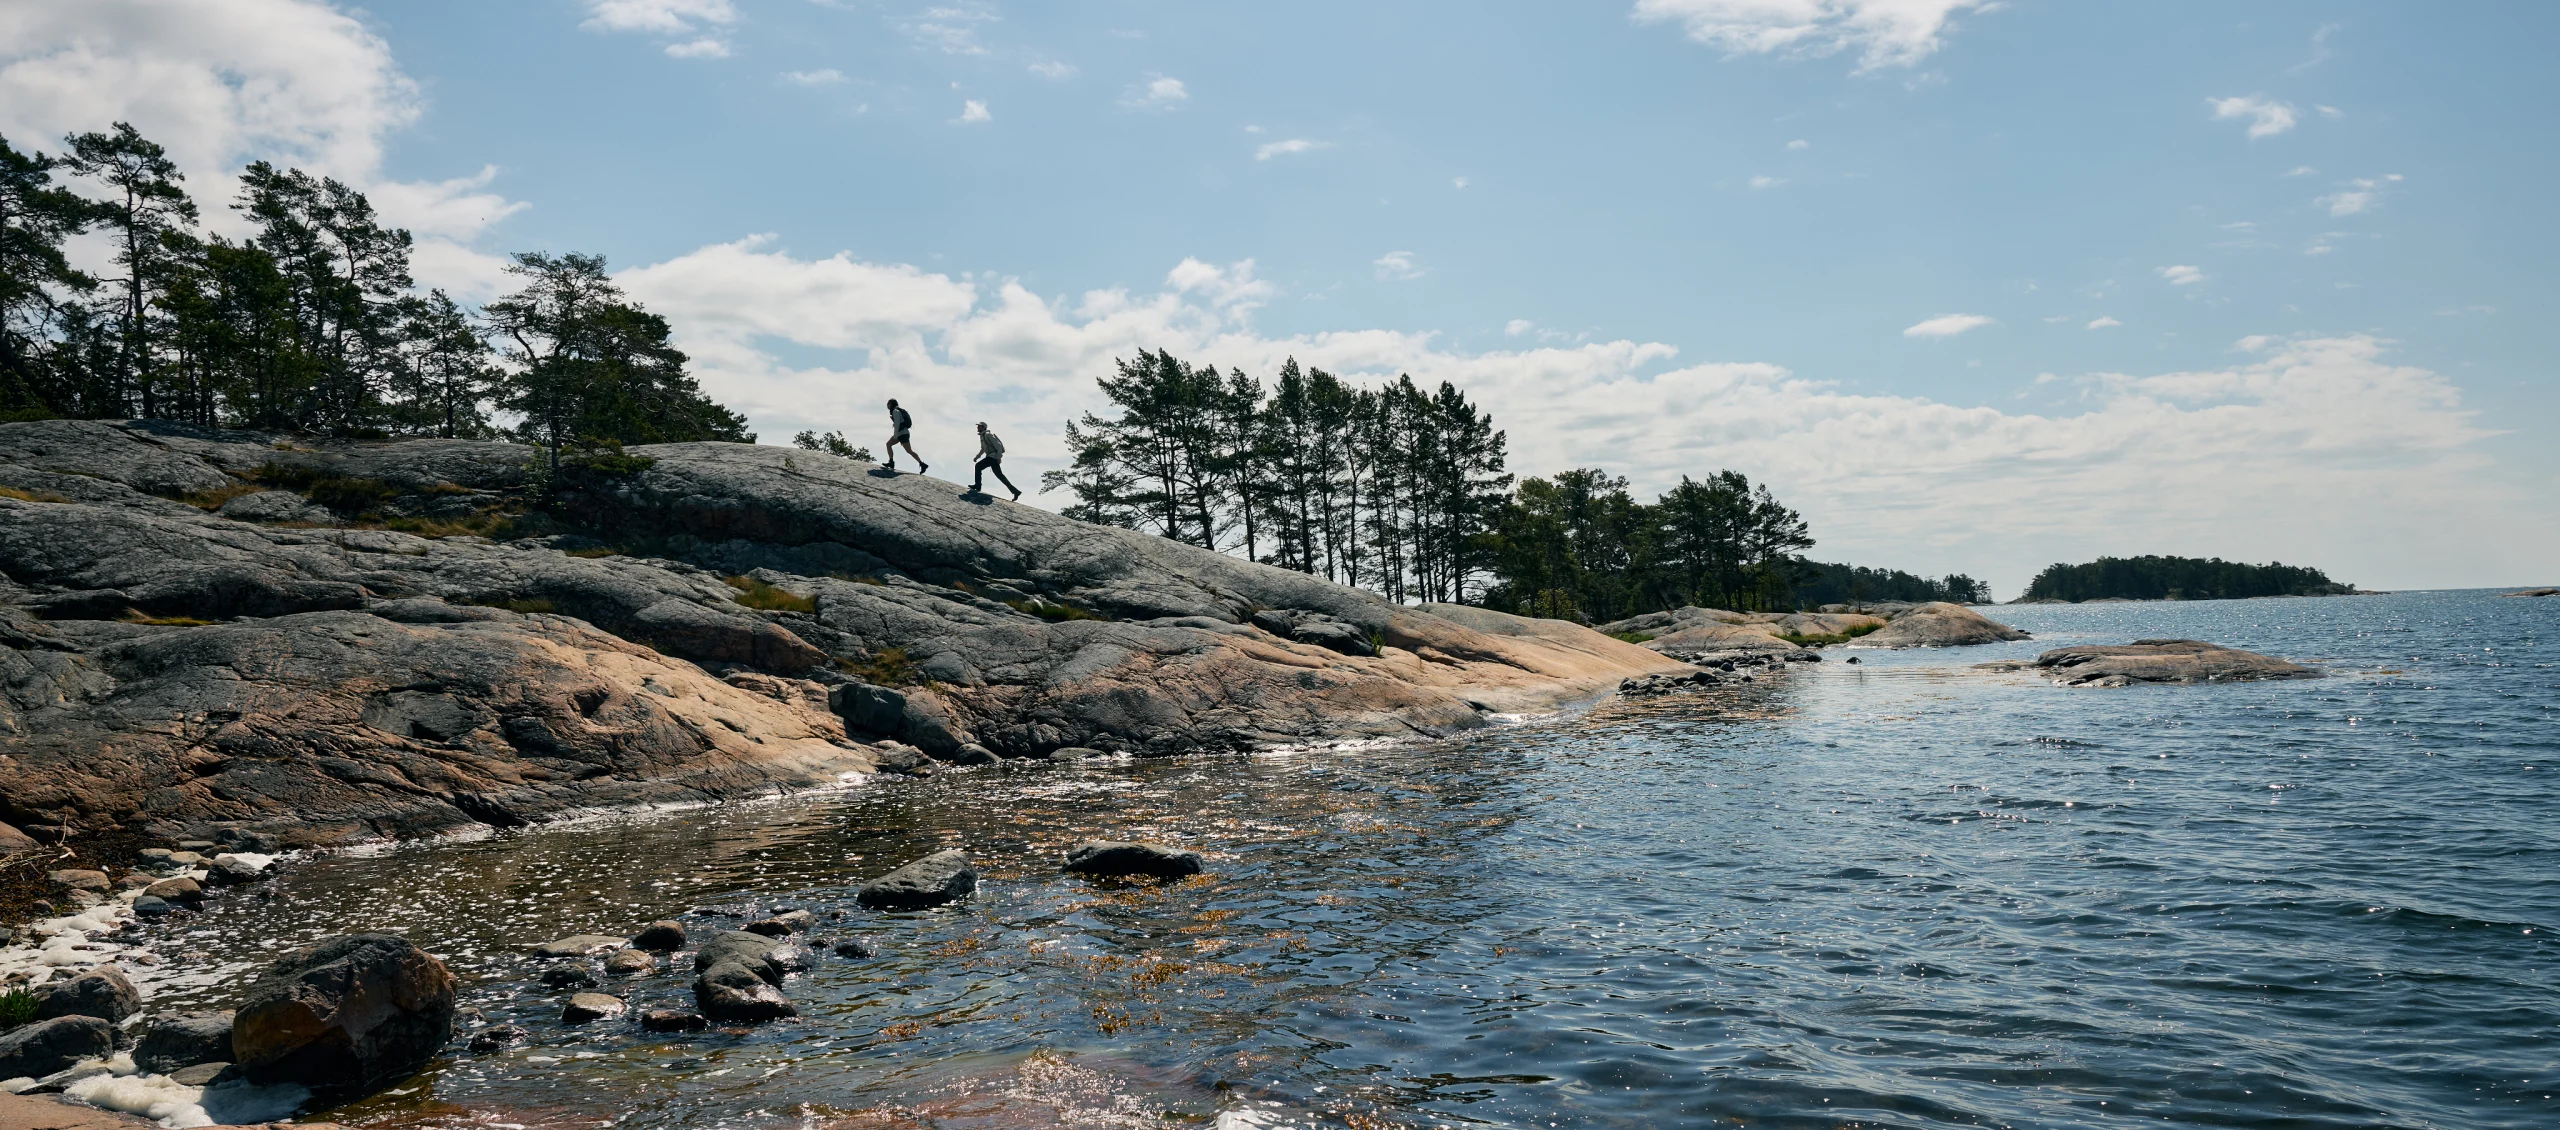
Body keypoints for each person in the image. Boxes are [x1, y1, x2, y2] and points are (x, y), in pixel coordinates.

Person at [971, 421, 1019, 501]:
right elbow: (983, 449)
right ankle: (1015, 491)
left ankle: (978, 486)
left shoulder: (988, 435)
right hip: (991, 457)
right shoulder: (982, 436)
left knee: (978, 466)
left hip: (993, 457)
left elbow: (998, 446)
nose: (977, 427)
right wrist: (977, 457)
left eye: (979, 426)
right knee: (1000, 476)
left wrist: (998, 457)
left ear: (983, 427)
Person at [884, 398, 925, 473]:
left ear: (892, 404)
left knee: (908, 450)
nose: (887, 405)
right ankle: (891, 462)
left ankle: (922, 464)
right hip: (902, 433)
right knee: (889, 444)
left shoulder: (895, 412)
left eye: (889, 403)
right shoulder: (896, 411)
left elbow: (897, 424)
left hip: (902, 434)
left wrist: (895, 435)